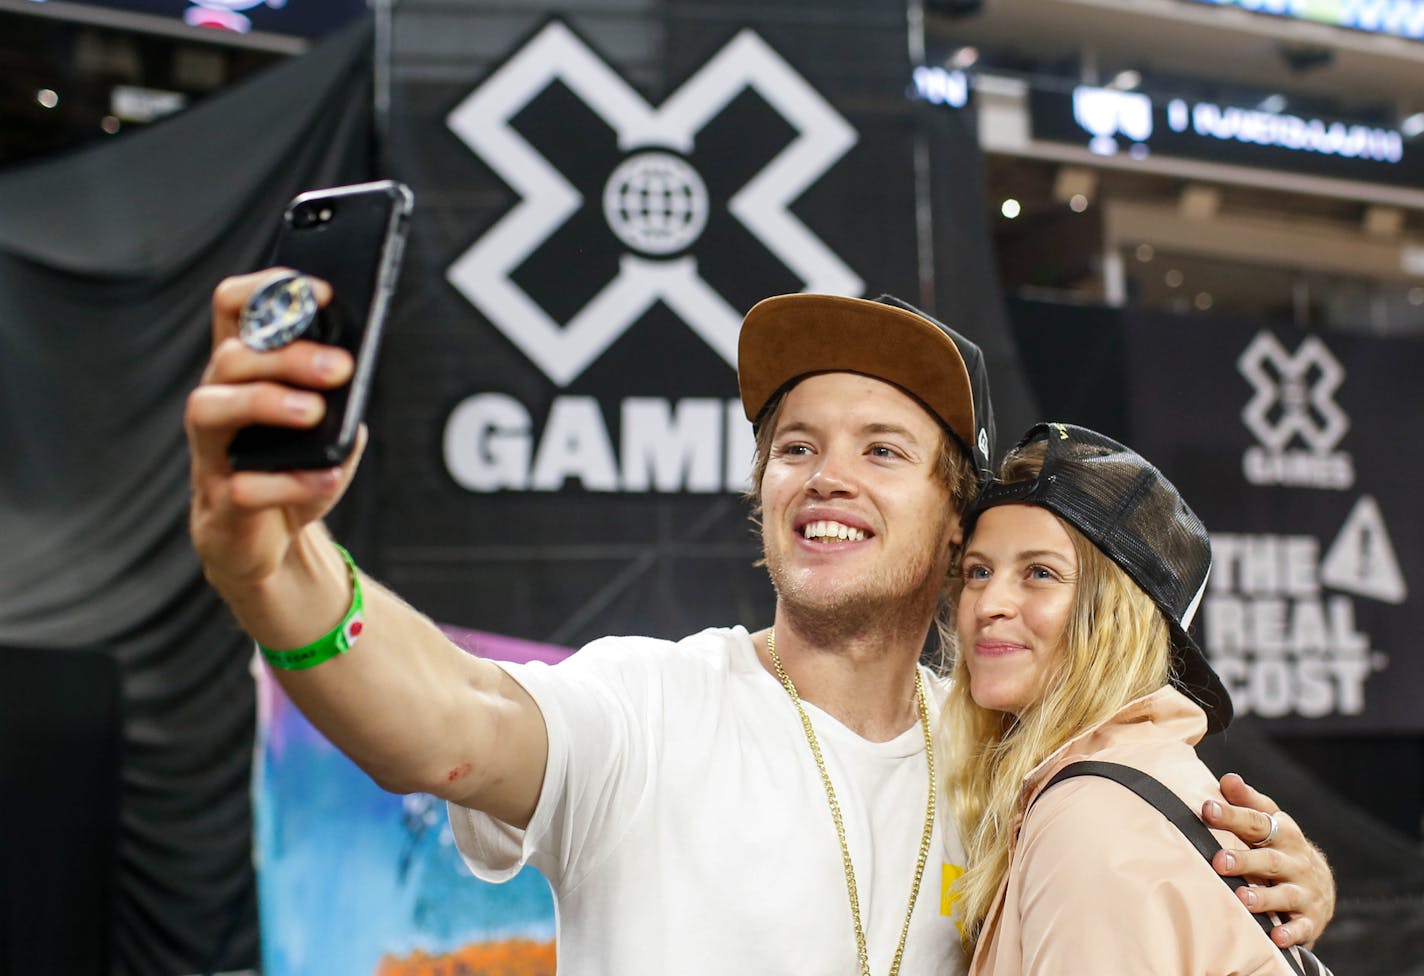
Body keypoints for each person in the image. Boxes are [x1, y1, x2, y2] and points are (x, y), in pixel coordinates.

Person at [186, 275, 1333, 975]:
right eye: (795, 446)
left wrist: (1284, 890)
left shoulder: (1010, 762)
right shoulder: (650, 704)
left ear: (952, 528)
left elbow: (1154, 877)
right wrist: (276, 569)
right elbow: (444, 717)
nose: (824, 476)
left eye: (882, 450)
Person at [945, 422, 1329, 974]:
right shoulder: (1126, 773)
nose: (987, 603)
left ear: (1116, 617)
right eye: (979, 571)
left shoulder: (1089, 815)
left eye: (1039, 572)